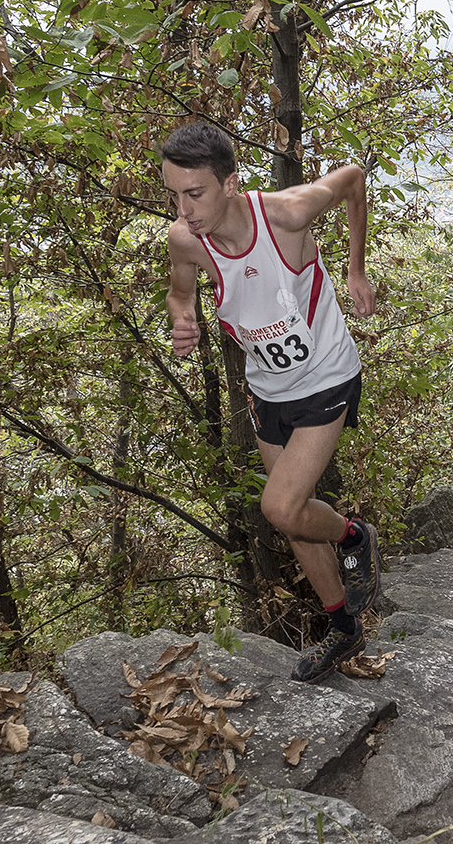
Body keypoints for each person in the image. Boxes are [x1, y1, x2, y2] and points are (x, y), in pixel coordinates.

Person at [161, 122, 381, 683]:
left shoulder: (285, 215)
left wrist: (354, 269)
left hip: (327, 375)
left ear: (230, 183)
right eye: (173, 194)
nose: (183, 209)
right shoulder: (186, 239)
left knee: (281, 507)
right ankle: (343, 626)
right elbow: (181, 293)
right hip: (269, 389)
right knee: (292, 521)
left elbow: (354, 179)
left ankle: (354, 537)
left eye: (195, 193)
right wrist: (181, 321)